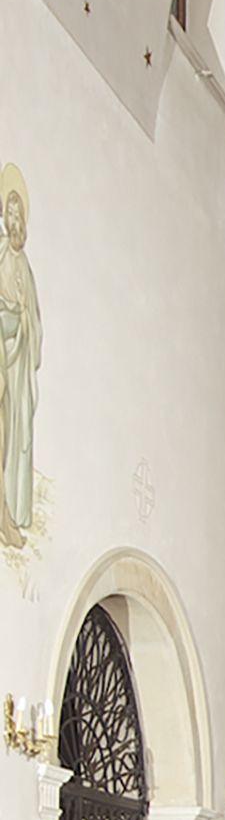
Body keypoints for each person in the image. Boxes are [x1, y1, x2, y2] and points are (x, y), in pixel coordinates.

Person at [0, 166, 42, 550]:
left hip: (18, 364)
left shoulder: (25, 268)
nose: (15, 222)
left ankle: (14, 510)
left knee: (18, 434)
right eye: (10, 214)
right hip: (4, 356)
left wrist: (25, 323)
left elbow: (35, 320)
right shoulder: (1, 255)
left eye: (19, 215)